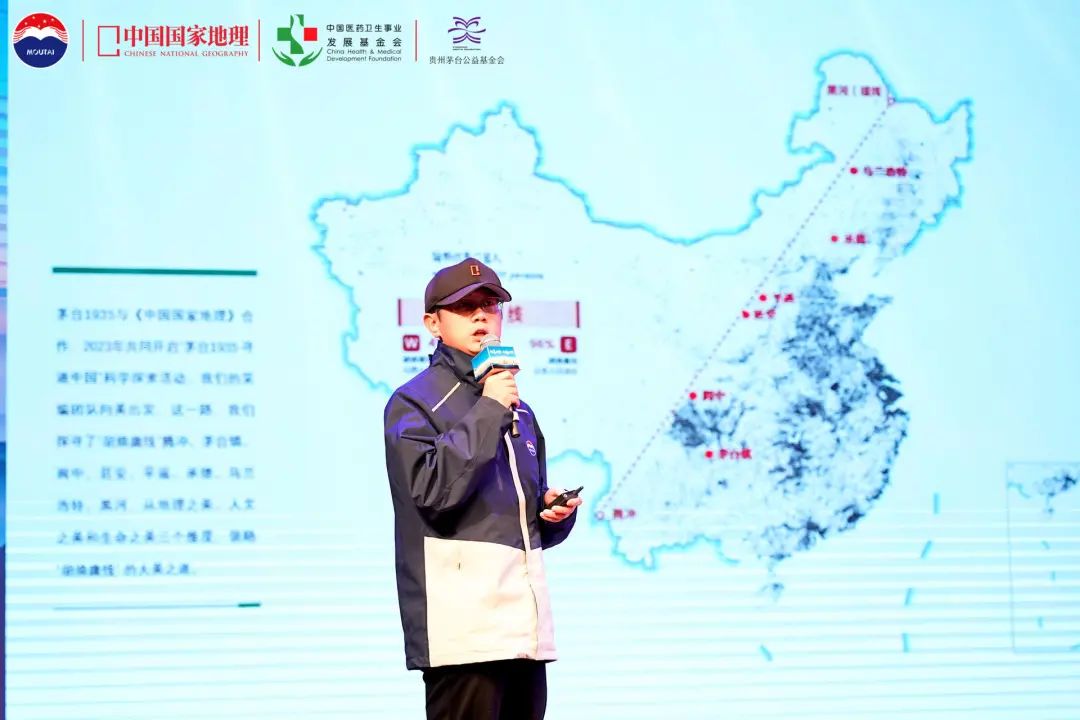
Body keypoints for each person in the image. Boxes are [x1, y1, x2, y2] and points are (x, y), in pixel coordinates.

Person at [383, 257, 582, 720]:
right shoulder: (413, 402)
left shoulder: (520, 409)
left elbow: (520, 518)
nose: (480, 316)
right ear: (432, 323)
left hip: (524, 631)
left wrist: (551, 513)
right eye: (464, 307)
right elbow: (432, 494)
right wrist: (490, 407)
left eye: (489, 305)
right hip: (463, 632)